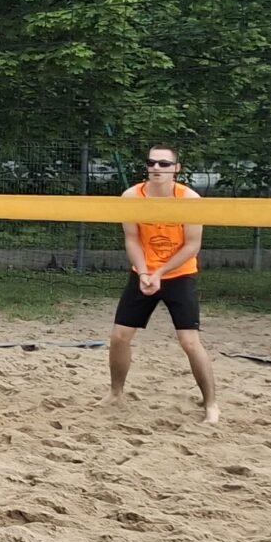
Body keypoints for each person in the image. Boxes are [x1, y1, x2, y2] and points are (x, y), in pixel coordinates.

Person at [109, 142, 219, 425]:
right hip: (144, 273)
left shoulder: (189, 199)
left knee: (189, 342)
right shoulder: (132, 196)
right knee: (120, 336)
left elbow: (192, 246)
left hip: (179, 274)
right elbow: (132, 239)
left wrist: (160, 273)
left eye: (164, 164)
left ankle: (211, 405)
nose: (156, 168)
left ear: (176, 168)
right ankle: (115, 394)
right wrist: (145, 272)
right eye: (151, 163)